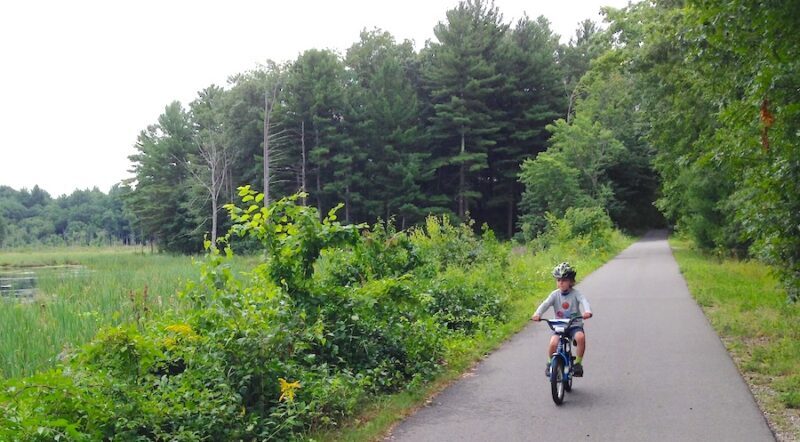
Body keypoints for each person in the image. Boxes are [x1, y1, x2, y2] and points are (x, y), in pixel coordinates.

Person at [531, 262, 592, 377]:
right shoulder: (554, 295)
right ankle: (550, 364)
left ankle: (578, 364)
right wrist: (537, 314)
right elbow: (545, 304)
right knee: (553, 343)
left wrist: (587, 311)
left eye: (564, 280)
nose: (561, 283)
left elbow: (584, 301)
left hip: (574, 324)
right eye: (558, 280)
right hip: (559, 325)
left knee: (580, 337)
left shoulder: (575, 294)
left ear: (571, 281)